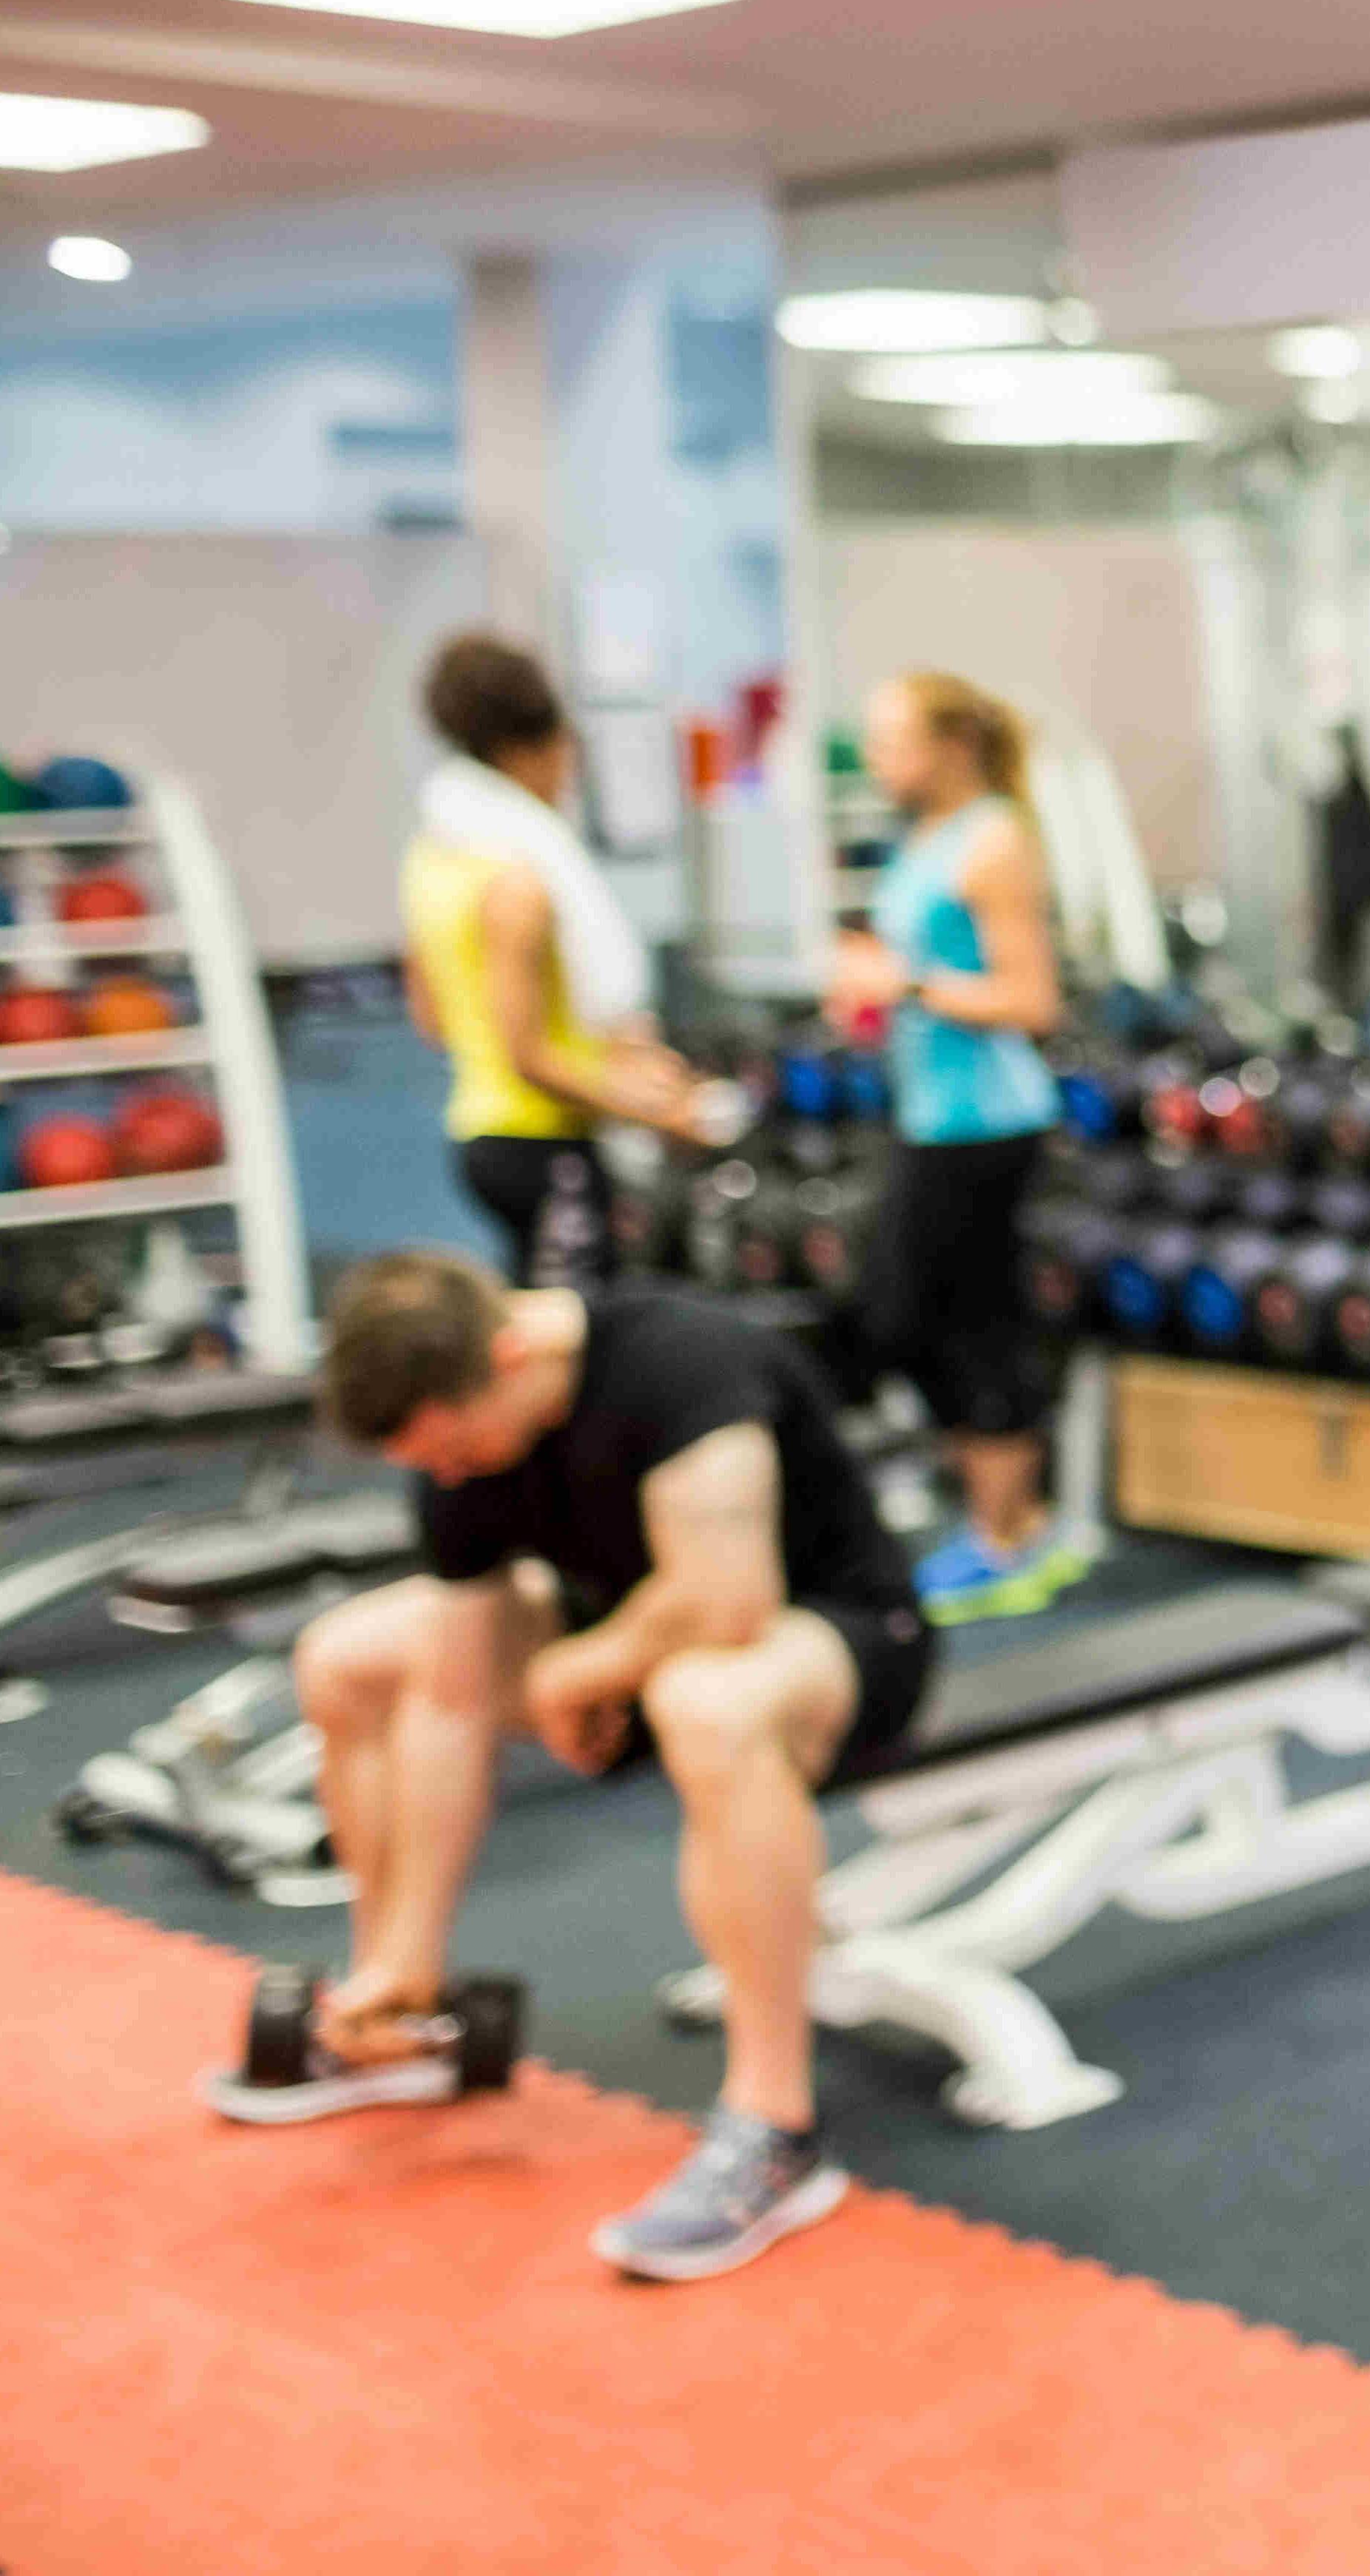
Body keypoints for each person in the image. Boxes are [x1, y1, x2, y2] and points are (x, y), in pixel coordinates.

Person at [212, 1253, 931, 2284]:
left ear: (508, 1355)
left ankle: (775, 2126)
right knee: (350, 1658)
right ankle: (397, 2015)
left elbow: (729, 1601)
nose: (453, 1477)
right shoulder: (460, 1445)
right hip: (631, 1639)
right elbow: (455, 1695)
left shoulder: (687, 1365)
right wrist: (408, 1953)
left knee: (704, 1701)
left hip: (838, 1638)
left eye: (458, 1450)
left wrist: (573, 1671)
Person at [823, 672, 1085, 1626]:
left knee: (960, 1325)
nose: (878, 757)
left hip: (988, 1122)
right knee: (906, 1320)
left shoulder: (993, 840)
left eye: (894, 738)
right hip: (930, 1115)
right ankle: (1017, 1515)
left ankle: (1010, 1538)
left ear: (951, 745)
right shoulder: (924, 840)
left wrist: (906, 983)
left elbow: (1030, 1002)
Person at [399, 634, 709, 1279]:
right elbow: (529, 1055)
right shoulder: (520, 884)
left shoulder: (432, 860)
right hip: (540, 1142)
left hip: (481, 1133)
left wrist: (629, 1067)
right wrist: (656, 1109)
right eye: (567, 754)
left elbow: (432, 1019)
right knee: (572, 1344)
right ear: (527, 750)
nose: (568, 775)